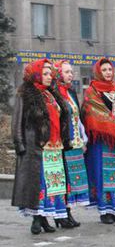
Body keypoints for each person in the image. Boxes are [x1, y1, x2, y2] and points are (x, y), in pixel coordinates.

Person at [11, 59, 70, 234]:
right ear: (35, 74)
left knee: (53, 185)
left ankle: (44, 218)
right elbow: (17, 121)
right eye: (44, 73)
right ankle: (37, 219)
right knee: (40, 185)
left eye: (50, 73)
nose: (48, 77)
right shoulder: (25, 94)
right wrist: (19, 143)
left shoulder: (51, 93)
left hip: (56, 146)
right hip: (37, 146)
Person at [81, 58, 115, 224]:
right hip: (102, 141)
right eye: (104, 70)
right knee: (103, 175)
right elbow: (92, 113)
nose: (108, 73)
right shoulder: (92, 91)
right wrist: (114, 126)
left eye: (110, 69)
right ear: (98, 72)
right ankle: (105, 211)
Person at [54, 60, 89, 227]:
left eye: (71, 72)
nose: (70, 74)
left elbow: (77, 117)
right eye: (66, 72)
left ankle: (68, 213)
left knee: (74, 181)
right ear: (59, 73)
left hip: (75, 142)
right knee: (65, 180)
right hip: (64, 143)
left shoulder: (71, 92)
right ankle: (61, 214)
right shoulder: (55, 92)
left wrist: (83, 139)